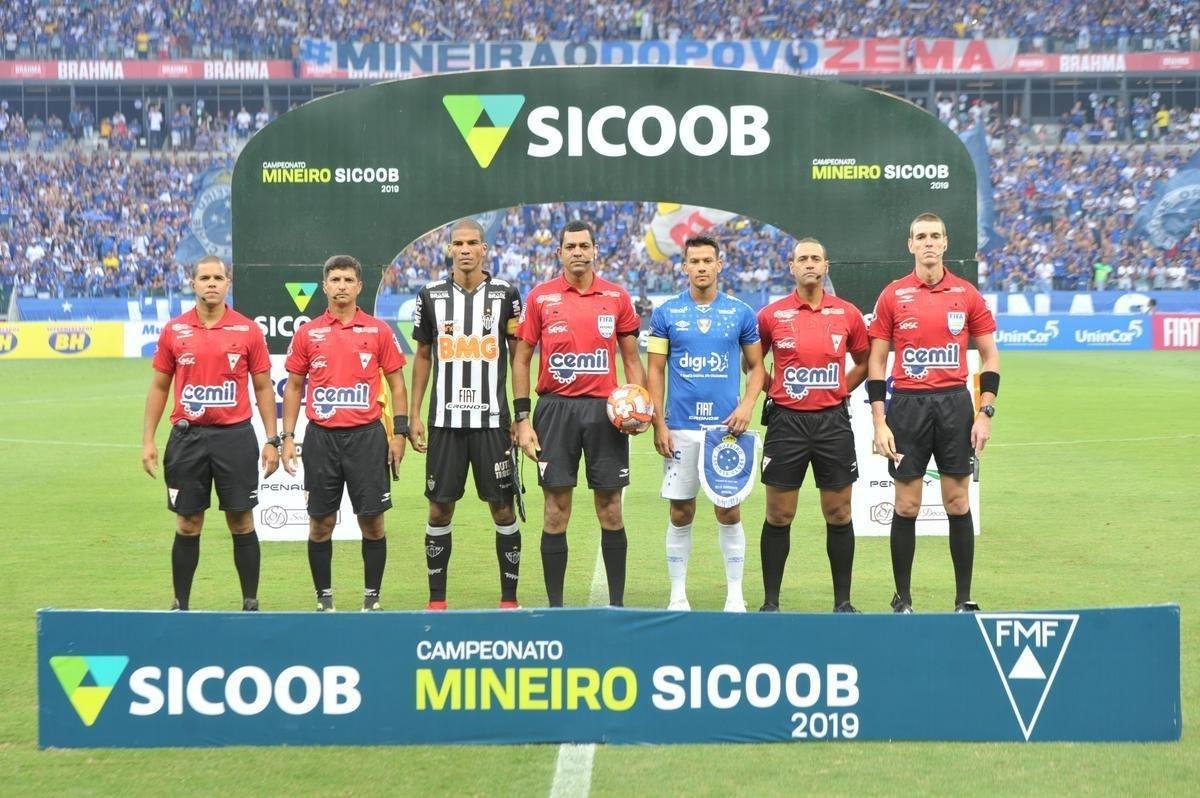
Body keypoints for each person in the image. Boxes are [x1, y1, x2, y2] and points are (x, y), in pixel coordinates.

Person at [867, 212, 1000, 614]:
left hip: (954, 403)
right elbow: (876, 363)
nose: (928, 242)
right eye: (920, 236)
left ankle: (963, 598)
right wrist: (878, 420)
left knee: (958, 502)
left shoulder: (966, 294)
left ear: (945, 243)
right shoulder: (892, 295)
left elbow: (990, 354)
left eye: (935, 236)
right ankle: (903, 598)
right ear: (910, 245)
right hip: (906, 404)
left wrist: (985, 412)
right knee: (906, 504)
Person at [513, 220, 646, 607]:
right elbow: (521, 360)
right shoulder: (540, 298)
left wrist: (640, 406)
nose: (577, 252)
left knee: (611, 508)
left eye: (583, 246)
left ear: (594, 250)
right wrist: (523, 419)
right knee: (555, 510)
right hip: (554, 411)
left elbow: (632, 359)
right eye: (570, 246)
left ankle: (617, 605)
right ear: (559, 253)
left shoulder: (617, 296)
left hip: (605, 413)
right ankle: (556, 607)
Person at [141, 255, 279, 611]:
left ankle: (250, 601)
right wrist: (148, 441)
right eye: (205, 277)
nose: (212, 283)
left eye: (218, 277)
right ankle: (180, 604)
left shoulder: (248, 330)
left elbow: (264, 388)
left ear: (227, 283)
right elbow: (159, 387)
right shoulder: (174, 330)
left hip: (234, 437)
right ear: (193, 283)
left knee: (241, 519)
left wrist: (271, 438)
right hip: (188, 438)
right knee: (188, 522)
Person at [407, 219, 524, 610]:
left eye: (473, 242)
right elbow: (423, 356)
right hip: (445, 422)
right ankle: (436, 600)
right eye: (458, 243)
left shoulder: (507, 294)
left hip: (493, 422)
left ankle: (509, 599)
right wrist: (414, 414)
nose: (465, 249)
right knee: (439, 507)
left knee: (503, 506)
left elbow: (520, 355)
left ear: (485, 248)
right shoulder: (430, 295)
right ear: (450, 249)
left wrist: (520, 417)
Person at [281, 255, 408, 612]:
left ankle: (372, 598)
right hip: (322, 438)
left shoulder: (379, 331)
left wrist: (398, 434)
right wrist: (288, 436)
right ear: (324, 286)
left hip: (367, 437)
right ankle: (324, 598)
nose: (341, 286)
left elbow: (397, 384)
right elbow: (293, 386)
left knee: (373, 521)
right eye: (335, 280)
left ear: (359, 286)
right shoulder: (308, 333)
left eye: (348, 280)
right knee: (320, 523)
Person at [647, 236, 765, 612]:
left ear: (719, 264)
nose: (700, 267)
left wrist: (747, 405)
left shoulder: (741, 313)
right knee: (681, 511)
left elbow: (758, 368)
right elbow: (655, 371)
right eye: (693, 261)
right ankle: (677, 594)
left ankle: (735, 595)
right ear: (684, 267)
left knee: (728, 510)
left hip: (725, 432)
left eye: (707, 261)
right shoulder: (665, 314)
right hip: (679, 426)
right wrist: (658, 424)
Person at [756, 238, 869, 613]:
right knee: (779, 514)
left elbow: (867, 360)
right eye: (802, 258)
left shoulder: (847, 314)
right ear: (791, 266)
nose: (809, 264)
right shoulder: (771, 316)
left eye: (815, 258)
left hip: (832, 422)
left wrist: (841, 389)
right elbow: (754, 365)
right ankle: (771, 603)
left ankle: (843, 602)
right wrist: (772, 389)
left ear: (826, 266)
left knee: (838, 513)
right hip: (786, 423)